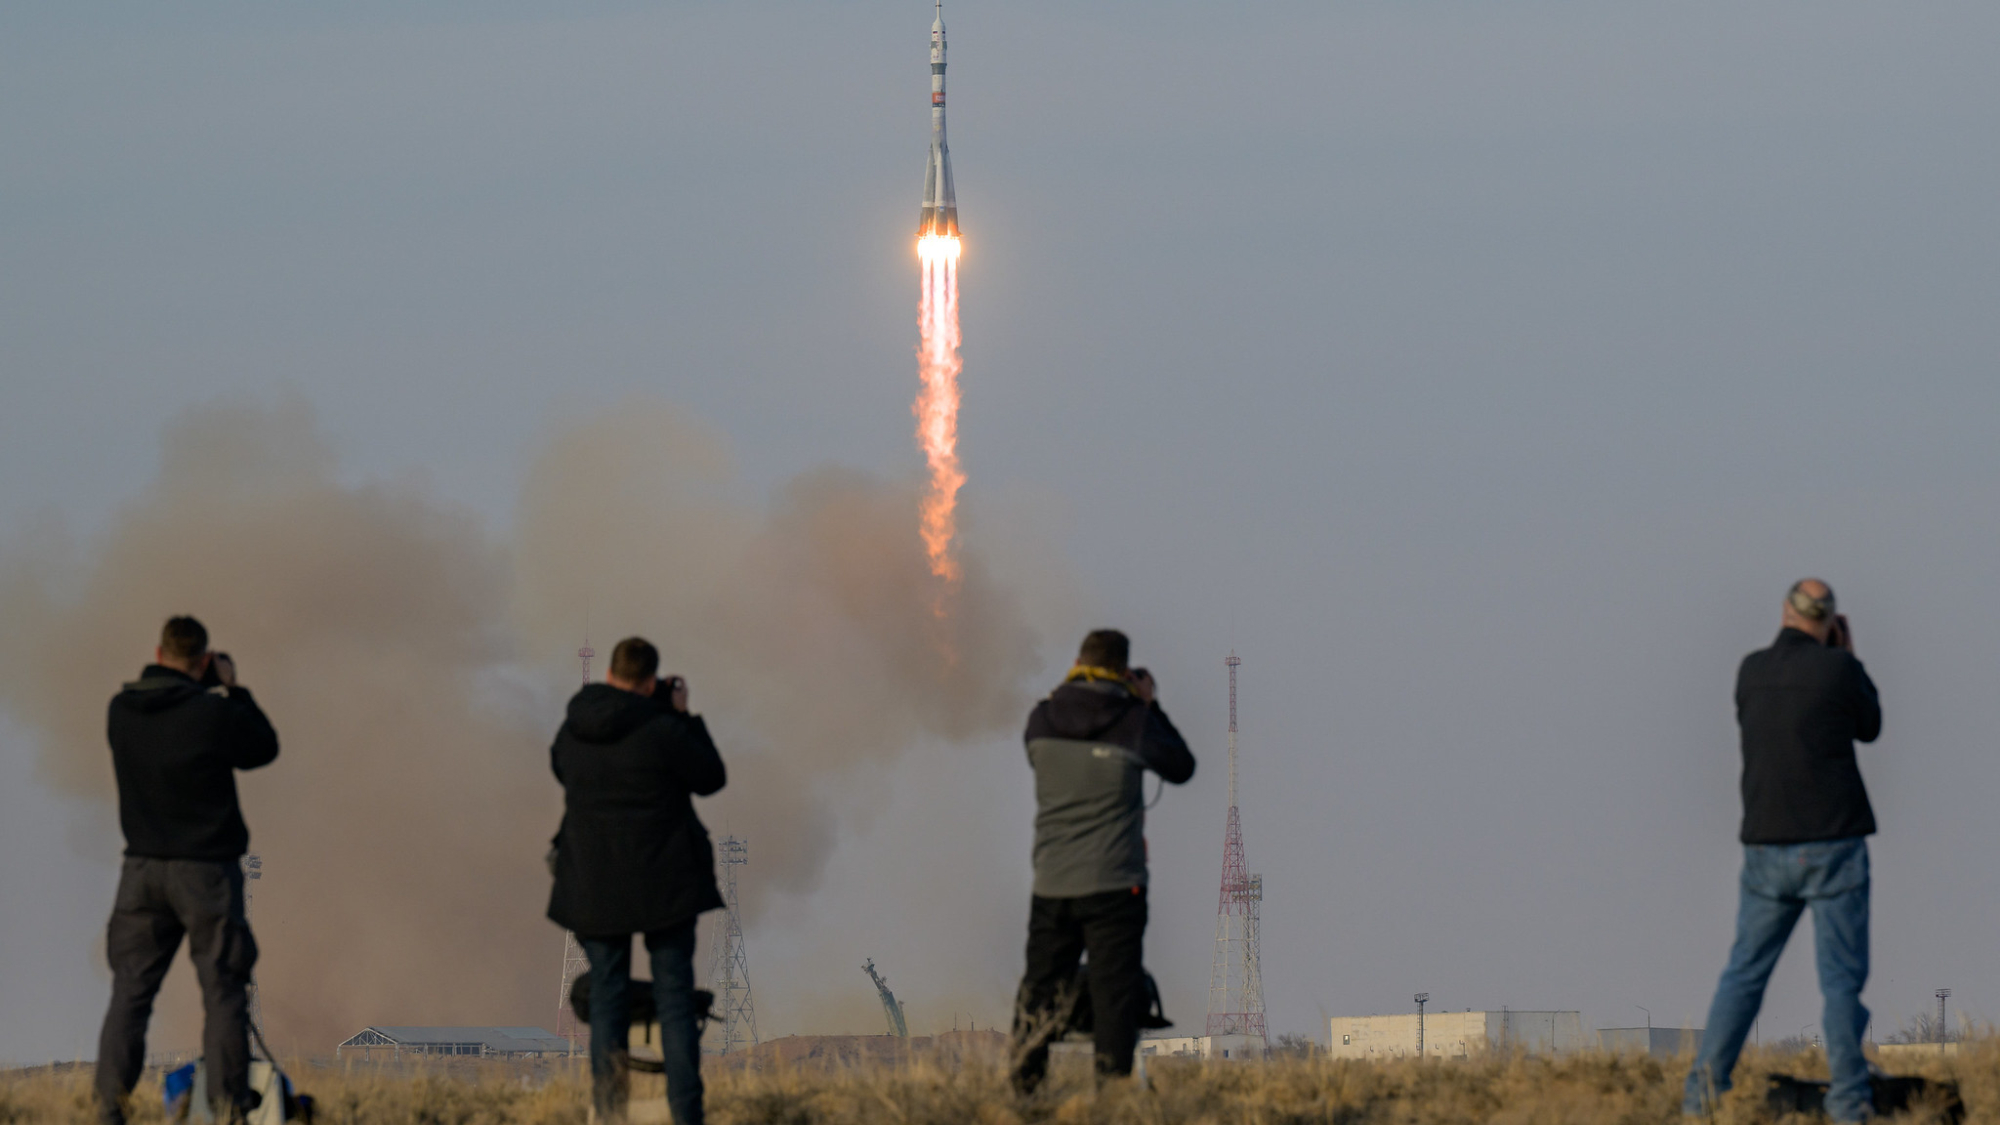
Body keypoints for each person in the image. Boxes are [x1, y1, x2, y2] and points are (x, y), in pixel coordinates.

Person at [1685, 579, 1883, 1121]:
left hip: (1766, 845)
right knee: (1840, 980)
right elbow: (1870, 726)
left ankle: (1701, 1097)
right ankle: (1848, 1102)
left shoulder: (1751, 671)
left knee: (1744, 973)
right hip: (1833, 843)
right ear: (1830, 620)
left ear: (1785, 612)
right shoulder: (1839, 669)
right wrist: (1848, 658)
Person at [95, 616, 280, 1125]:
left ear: (158, 654)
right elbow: (263, 747)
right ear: (202, 661)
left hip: (141, 872)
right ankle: (228, 1109)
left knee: (130, 992)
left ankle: (109, 1107)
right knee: (222, 991)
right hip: (206, 874)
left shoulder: (120, 710)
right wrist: (234, 687)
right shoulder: (212, 715)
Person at [547, 637, 725, 1125]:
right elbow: (710, 776)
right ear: (649, 683)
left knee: (608, 998)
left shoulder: (572, 730)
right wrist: (683, 715)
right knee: (674, 998)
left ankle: (609, 1114)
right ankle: (686, 1115)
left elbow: (562, 771)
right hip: (665, 885)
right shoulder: (663, 729)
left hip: (594, 885)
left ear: (609, 676)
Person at [1008, 629, 1195, 1094]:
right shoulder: (1133, 723)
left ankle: (1026, 1090)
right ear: (1123, 670)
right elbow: (1181, 766)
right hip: (1116, 886)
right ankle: (1111, 1098)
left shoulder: (1041, 721)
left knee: (1040, 991)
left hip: (1052, 884)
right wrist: (1148, 703)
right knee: (1115, 995)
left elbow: (1045, 746)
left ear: (1077, 662)